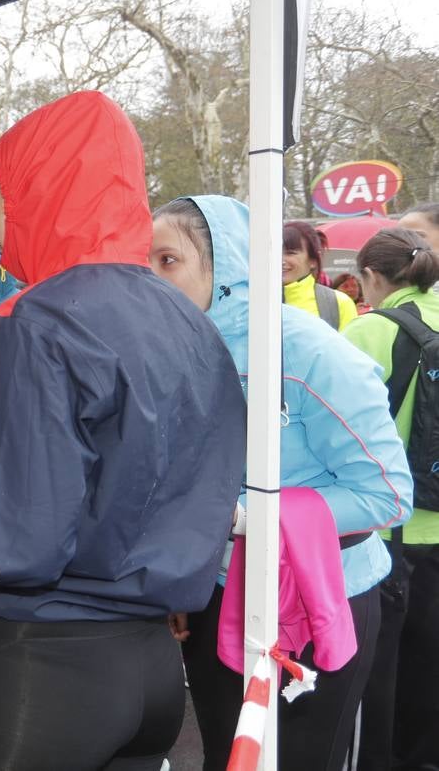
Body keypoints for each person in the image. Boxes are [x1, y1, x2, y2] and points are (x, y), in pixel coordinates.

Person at [0, 91, 248, 771]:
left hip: (34, 665)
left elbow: (15, 543)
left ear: (46, 191)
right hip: (151, 667)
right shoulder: (190, 320)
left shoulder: (34, 323)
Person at [150, 196, 412, 771]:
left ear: (229, 264)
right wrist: (185, 583)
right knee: (229, 755)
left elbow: (388, 493)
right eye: (147, 261)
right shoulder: (174, 353)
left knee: (298, 760)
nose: (153, 278)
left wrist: (241, 516)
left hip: (323, 597)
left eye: (168, 260)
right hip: (220, 593)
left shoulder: (304, 351)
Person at [343, 228, 439, 771]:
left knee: (376, 678)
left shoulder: (370, 330)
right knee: (431, 672)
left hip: (389, 535)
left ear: (373, 278)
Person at [284, 219, 357, 331]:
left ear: (313, 260)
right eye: (274, 251)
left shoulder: (338, 303)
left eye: (290, 253)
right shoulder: (251, 301)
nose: (281, 260)